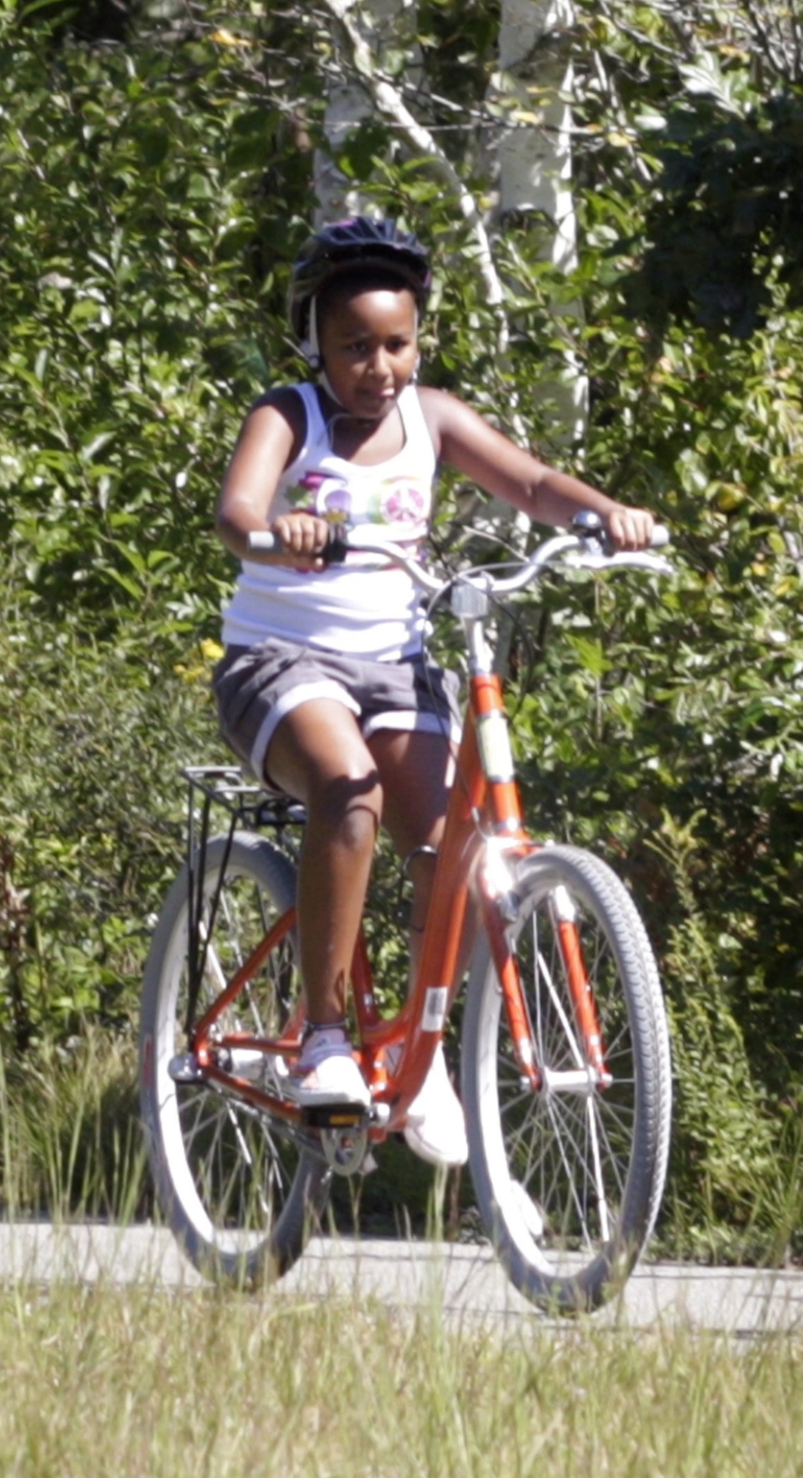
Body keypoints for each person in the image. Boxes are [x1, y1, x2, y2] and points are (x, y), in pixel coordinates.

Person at [211, 216, 657, 1166]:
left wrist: (602, 513)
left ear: (419, 339)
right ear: (316, 345)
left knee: (448, 839)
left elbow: (531, 481)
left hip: (393, 665)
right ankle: (325, 1035)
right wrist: (278, 528)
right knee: (348, 786)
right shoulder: (288, 416)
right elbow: (236, 512)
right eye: (355, 346)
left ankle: (424, 1053)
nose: (379, 366)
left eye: (397, 344)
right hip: (279, 665)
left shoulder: (435, 417)